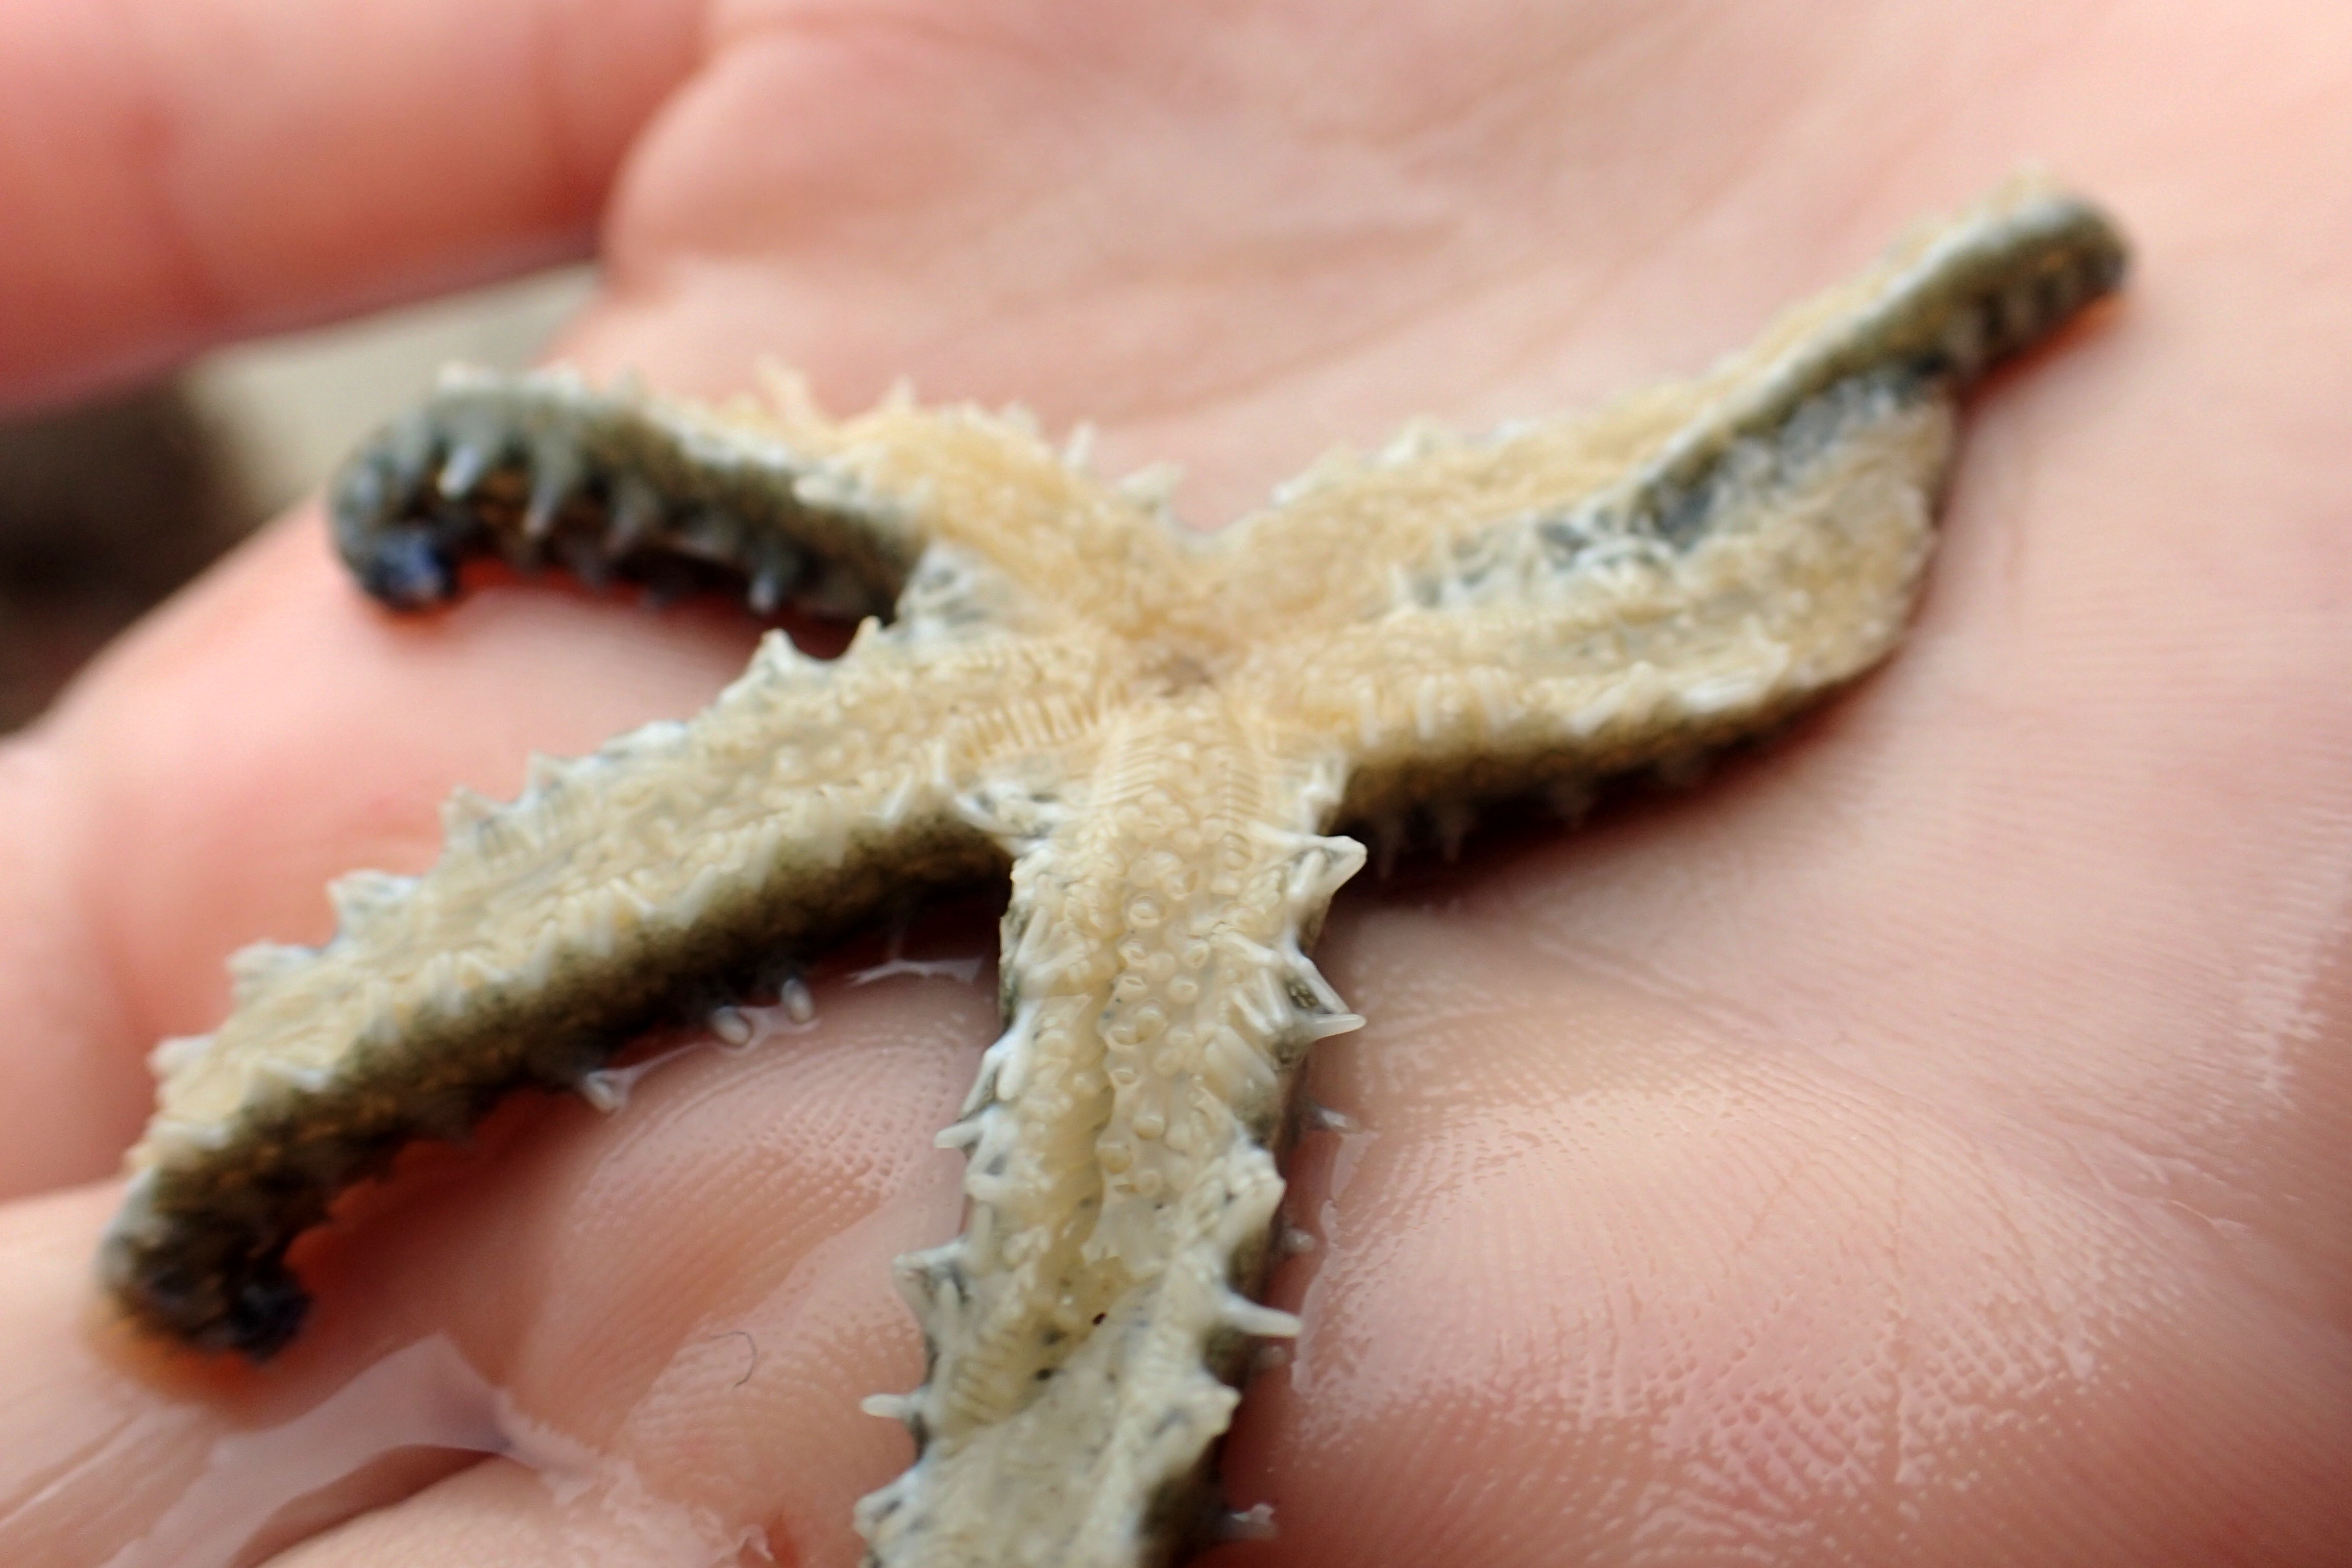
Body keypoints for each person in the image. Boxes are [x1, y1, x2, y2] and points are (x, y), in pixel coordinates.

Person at [3, 2, 2346, 1562]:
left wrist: (1934, 320)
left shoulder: (1310, 665)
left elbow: (1774, 582)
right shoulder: (1059, 592)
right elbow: (1759, 582)